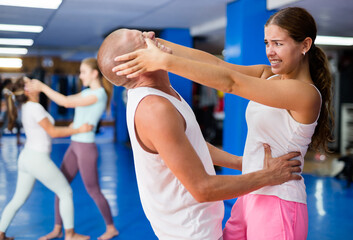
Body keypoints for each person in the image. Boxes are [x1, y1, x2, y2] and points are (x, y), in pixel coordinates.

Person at [111, 7, 333, 240]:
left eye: (278, 43)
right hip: (251, 191)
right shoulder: (268, 75)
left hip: (280, 199)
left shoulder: (305, 94)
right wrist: (154, 43)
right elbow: (218, 66)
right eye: (267, 43)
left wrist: (164, 61)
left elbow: (231, 83)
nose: (270, 52)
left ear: (305, 45)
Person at [27, 58, 119, 240]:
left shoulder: (99, 94)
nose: (80, 76)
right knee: (60, 186)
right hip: (75, 144)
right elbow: (69, 101)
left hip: (86, 147)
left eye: (83, 72)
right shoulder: (86, 92)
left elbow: (66, 103)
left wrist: (43, 87)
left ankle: (111, 228)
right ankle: (57, 229)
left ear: (94, 74)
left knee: (93, 190)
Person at [0, 77, 92, 240]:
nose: (36, 82)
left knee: (18, 199)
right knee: (65, 192)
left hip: (27, 157)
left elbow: (46, 129)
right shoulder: (35, 108)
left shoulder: (28, 106)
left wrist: (69, 127)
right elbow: (53, 132)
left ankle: (0, 234)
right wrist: (79, 130)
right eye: (31, 81)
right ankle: (70, 234)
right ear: (28, 90)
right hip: (37, 159)